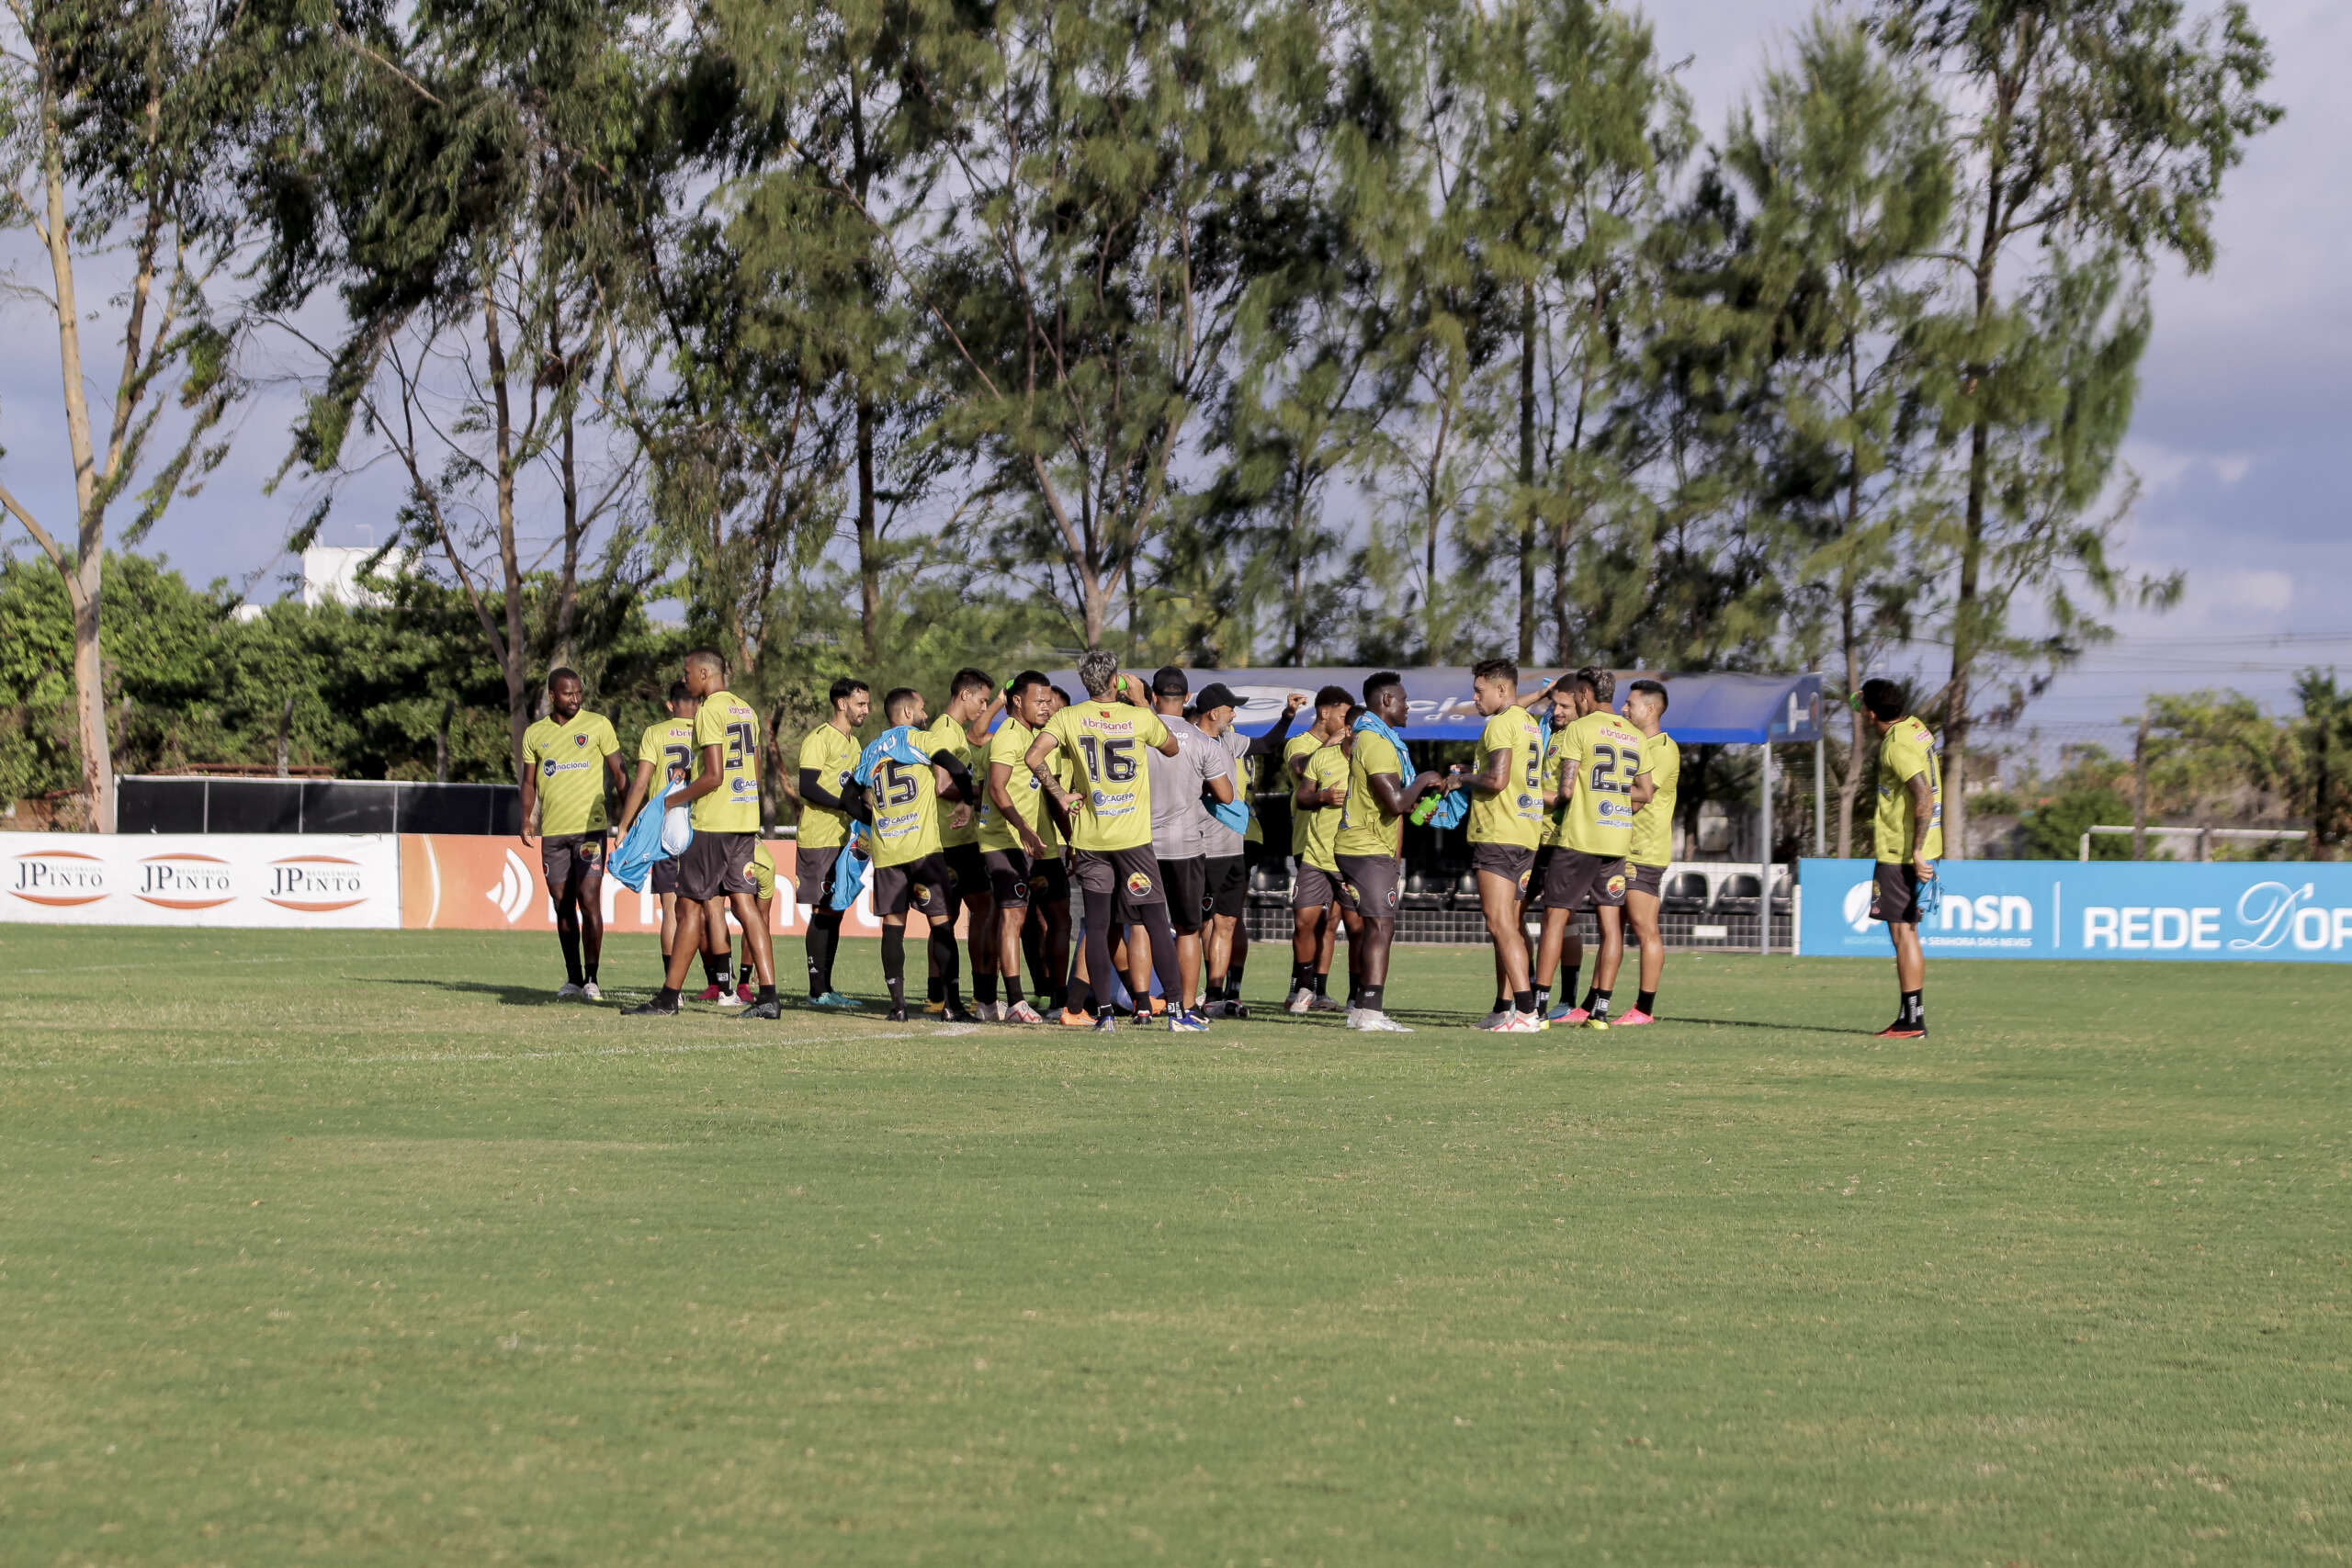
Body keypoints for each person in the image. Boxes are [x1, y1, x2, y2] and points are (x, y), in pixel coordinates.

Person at [1024, 652, 1191, 1033]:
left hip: (1090, 840)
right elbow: (1171, 747)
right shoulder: (1137, 716)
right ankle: (1179, 1012)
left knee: (1097, 927)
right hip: (1132, 841)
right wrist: (1141, 702)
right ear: (1116, 679)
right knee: (1153, 919)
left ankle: (1105, 1014)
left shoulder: (1067, 717)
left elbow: (1033, 756)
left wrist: (1060, 795)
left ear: (1084, 681)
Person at [624, 650, 781, 1018]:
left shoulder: (709, 710)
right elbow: (751, 773)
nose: (687, 678)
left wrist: (669, 802)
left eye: (688, 671)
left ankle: (667, 999)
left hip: (712, 824)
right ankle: (770, 996)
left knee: (689, 906)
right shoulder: (746, 710)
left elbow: (714, 777)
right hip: (744, 820)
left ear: (705, 672)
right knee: (744, 905)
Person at [1333, 671, 1457, 1032]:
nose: (1407, 708)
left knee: (1376, 927)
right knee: (1381, 927)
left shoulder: (1377, 739)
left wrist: (1422, 798)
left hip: (1367, 845)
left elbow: (1399, 805)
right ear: (1386, 701)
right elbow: (1396, 801)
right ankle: (1370, 1011)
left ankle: (1361, 1008)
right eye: (1403, 700)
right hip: (1366, 846)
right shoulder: (1375, 741)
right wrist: (1426, 778)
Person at [852, 687, 978, 1023]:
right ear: (907, 714)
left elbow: (851, 796)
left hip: (888, 851)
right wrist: (967, 802)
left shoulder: (870, 751)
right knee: (941, 926)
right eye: (921, 708)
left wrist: (875, 820)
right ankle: (952, 1005)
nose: (925, 714)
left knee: (893, 928)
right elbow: (959, 770)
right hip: (923, 851)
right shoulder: (919, 740)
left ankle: (897, 1007)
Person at [1533, 667, 1641, 1026]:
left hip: (1579, 838)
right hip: (1617, 837)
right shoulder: (1634, 736)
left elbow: (1565, 791)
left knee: (1555, 918)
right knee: (1611, 927)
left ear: (1584, 693)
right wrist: (1614, 797)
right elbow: (1646, 791)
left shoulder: (1579, 730)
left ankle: (1540, 1008)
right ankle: (1600, 1012)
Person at [1191, 682, 1304, 1018]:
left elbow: (1267, 745)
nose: (1234, 714)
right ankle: (1185, 994)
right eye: (1230, 708)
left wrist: (1287, 716)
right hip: (1199, 843)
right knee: (1199, 923)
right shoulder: (1187, 741)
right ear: (1213, 712)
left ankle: (1216, 994)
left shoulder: (1229, 738)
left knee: (1225, 920)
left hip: (1236, 841)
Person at [518, 668, 626, 1000]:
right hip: (553, 833)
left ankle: (592, 978)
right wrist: (526, 819)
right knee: (562, 905)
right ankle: (574, 979)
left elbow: (621, 773)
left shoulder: (598, 725)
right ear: (552, 695)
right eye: (568, 694)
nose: (576, 699)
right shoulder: (535, 734)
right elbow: (529, 781)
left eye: (579, 692)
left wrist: (630, 816)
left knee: (588, 898)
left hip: (590, 830)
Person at [1144, 668, 1237, 1026]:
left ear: (1153, 697)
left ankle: (1140, 1004)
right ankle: (1184, 1006)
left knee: (1140, 926)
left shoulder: (1140, 734)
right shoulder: (1201, 741)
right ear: (1187, 698)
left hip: (1141, 845)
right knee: (1188, 928)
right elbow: (1226, 795)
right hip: (1185, 845)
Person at [1460, 659, 1548, 1032]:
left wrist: (1459, 779)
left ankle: (1527, 1012)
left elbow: (1495, 780)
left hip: (1499, 832)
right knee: (1509, 924)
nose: (1474, 698)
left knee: (1499, 924)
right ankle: (1505, 1007)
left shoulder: (1499, 723)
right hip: (1526, 832)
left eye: (1479, 691)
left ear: (1500, 690)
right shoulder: (1527, 722)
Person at [976, 671, 1062, 1024]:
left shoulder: (1038, 737)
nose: (1046, 706)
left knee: (1059, 918)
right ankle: (1014, 1001)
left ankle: (1059, 998)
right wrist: (1024, 828)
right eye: (1039, 701)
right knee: (1013, 916)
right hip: (1005, 841)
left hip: (1038, 844)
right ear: (1017, 702)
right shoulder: (1009, 737)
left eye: (1048, 700)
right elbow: (997, 789)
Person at [616, 681, 709, 995]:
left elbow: (641, 783)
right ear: (698, 702)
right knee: (705, 907)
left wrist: (625, 824)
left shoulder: (655, 733)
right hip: (701, 824)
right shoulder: (706, 731)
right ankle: (720, 986)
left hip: (668, 829)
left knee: (670, 911)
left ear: (670, 705)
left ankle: (673, 990)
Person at [1862, 678, 1940, 1039]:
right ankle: (1910, 1017)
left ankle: (1913, 1021)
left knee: (1903, 931)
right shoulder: (1915, 728)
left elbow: (1923, 796)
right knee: (1907, 930)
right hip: (1915, 848)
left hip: (1902, 852)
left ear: (1872, 713)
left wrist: (1917, 850)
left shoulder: (1895, 746)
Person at [922, 670, 997, 1017]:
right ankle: (972, 996)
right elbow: (941, 786)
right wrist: (988, 794)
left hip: (961, 838)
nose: (983, 707)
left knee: (954, 916)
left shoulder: (956, 733)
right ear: (964, 695)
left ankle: (942, 997)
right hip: (950, 840)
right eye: (982, 700)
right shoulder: (944, 731)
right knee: (967, 914)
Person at [795, 677, 869, 1008]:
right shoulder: (819, 739)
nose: (865, 710)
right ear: (842, 704)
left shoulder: (854, 744)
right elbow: (807, 787)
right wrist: (844, 805)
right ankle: (817, 990)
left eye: (866, 704)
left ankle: (827, 988)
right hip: (818, 836)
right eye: (860, 704)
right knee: (823, 907)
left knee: (835, 909)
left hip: (844, 837)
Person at [1283, 686, 1354, 1012]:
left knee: (1332, 919)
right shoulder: (1300, 743)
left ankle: (1320, 990)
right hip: (1307, 842)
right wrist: (1330, 745)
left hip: (1340, 845)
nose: (1346, 724)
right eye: (1342, 716)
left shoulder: (1353, 748)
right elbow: (1300, 772)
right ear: (1325, 713)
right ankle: (1299, 986)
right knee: (1309, 918)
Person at [1616, 679, 1678, 1027]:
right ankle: (1594, 1001)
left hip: (1644, 850)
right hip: (1622, 846)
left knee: (1644, 927)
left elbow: (1640, 798)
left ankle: (1644, 1009)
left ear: (1651, 709)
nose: (1624, 709)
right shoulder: (1636, 744)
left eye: (1630, 704)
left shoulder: (1662, 748)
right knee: (1614, 929)